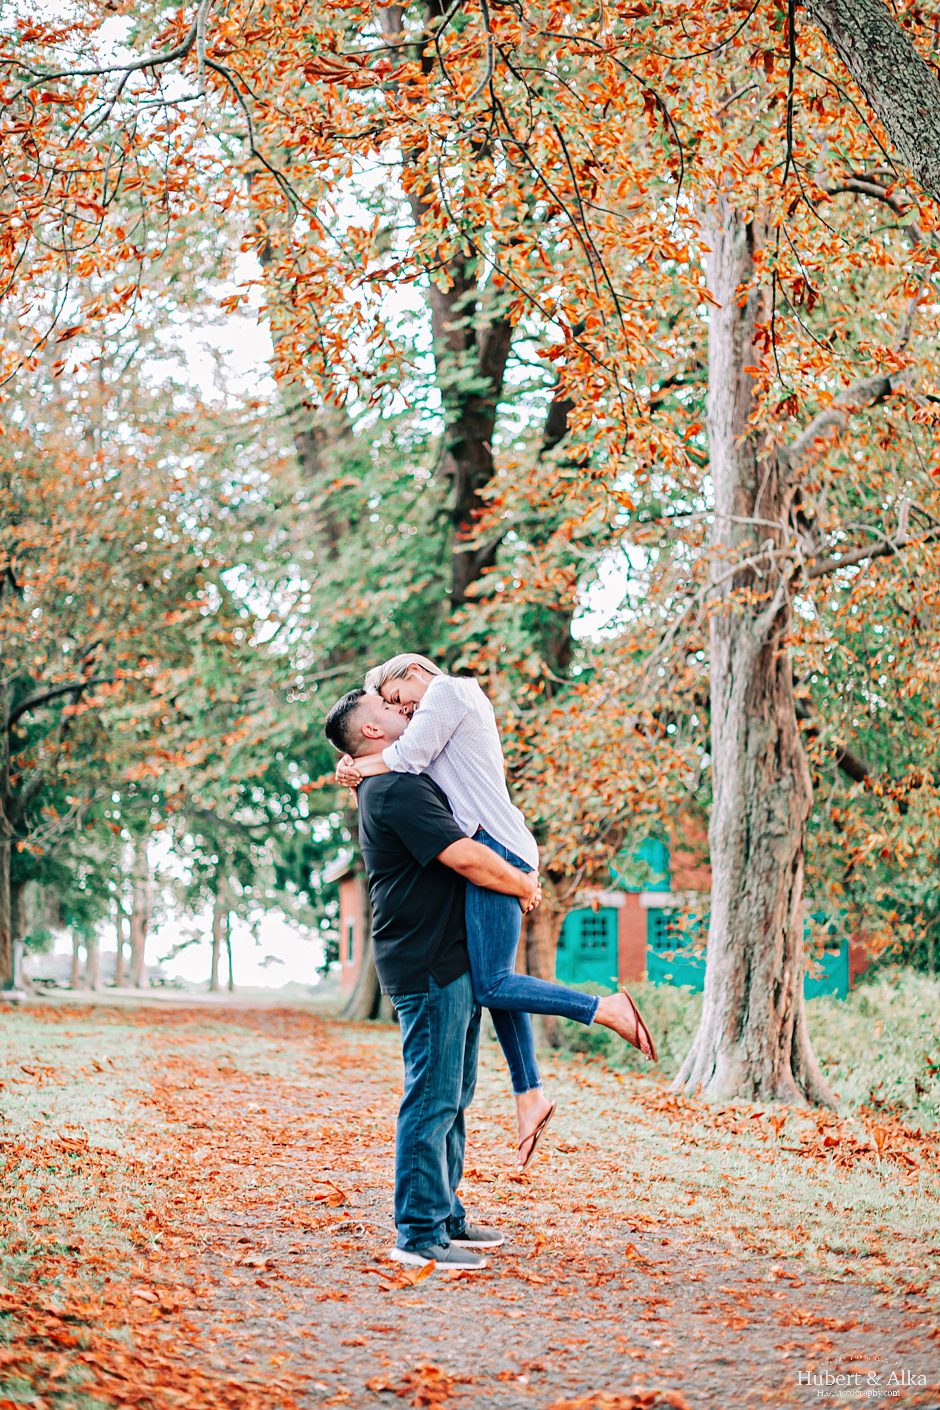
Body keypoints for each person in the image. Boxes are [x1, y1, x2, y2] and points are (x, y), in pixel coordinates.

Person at [335, 653, 658, 1172]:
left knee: (492, 983)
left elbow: (407, 758)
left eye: (399, 697)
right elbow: (403, 761)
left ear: (413, 670)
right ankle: (529, 1095)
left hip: (497, 848)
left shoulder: (449, 693)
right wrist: (357, 764)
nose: (405, 708)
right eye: (393, 707)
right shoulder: (434, 713)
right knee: (494, 979)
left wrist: (356, 764)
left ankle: (605, 1010)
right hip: (496, 844)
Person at [324, 686, 542, 1271]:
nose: (405, 712)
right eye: (390, 709)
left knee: (456, 1091)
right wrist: (523, 884)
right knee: (433, 1093)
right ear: (372, 732)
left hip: (449, 955)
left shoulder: (403, 773)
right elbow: (464, 856)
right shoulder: (395, 788)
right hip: (426, 960)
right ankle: (418, 1232)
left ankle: (445, 1213)